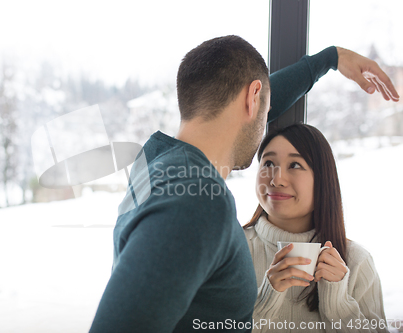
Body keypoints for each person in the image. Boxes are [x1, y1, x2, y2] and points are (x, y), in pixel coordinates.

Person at [89, 35, 399, 333]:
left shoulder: (157, 164)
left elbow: (241, 114)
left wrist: (330, 59)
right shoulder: (195, 200)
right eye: (266, 111)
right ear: (252, 98)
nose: (267, 121)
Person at [243, 124, 388, 333]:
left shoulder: (357, 262)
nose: (276, 179)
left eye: (294, 165)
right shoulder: (229, 252)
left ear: (322, 179)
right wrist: (266, 298)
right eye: (268, 163)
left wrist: (338, 306)